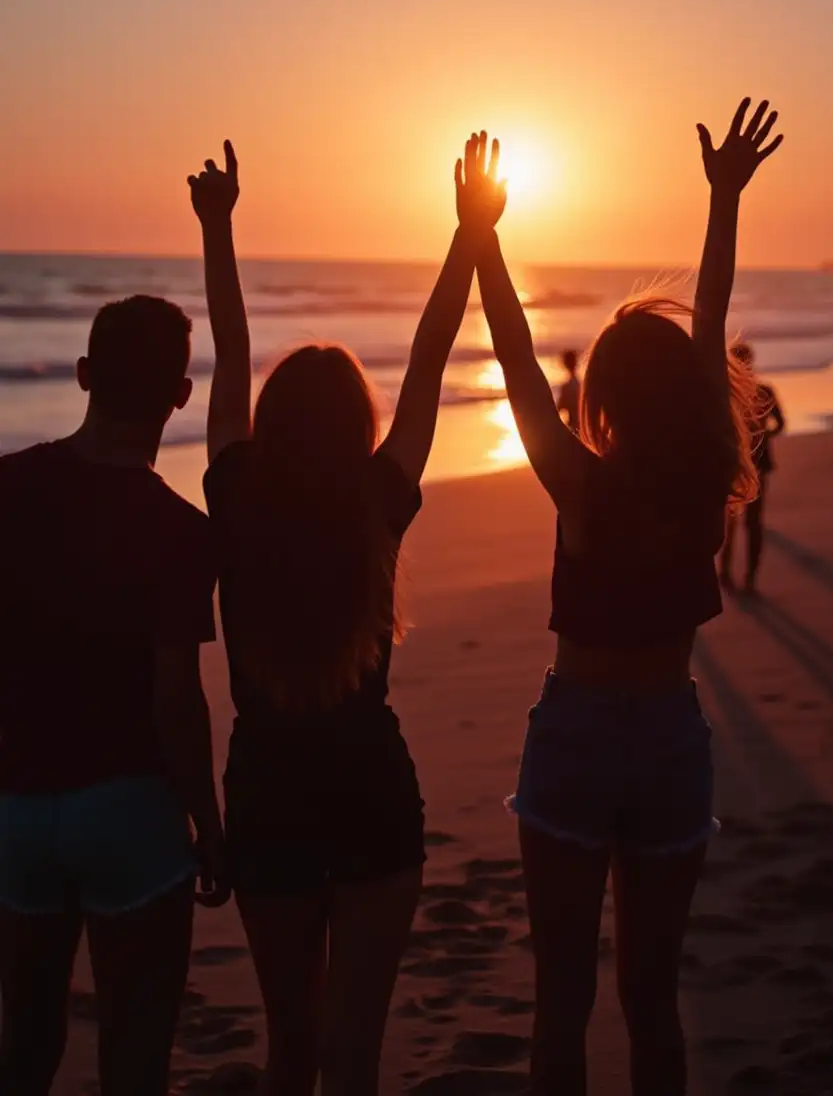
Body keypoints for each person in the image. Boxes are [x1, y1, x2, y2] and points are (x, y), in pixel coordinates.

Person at [475, 99, 782, 1095]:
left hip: (573, 735)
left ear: (600, 392)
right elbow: (712, 334)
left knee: (559, 999)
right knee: (653, 999)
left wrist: (482, 238)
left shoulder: (578, 480)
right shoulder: (704, 480)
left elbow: (517, 357)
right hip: (668, 737)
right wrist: (722, 200)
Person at [188, 132, 503, 1096]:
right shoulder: (377, 501)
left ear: (273, 424)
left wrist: (218, 228)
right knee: (353, 1058)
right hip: (370, 787)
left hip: (270, 794)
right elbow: (428, 356)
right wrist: (469, 235)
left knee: (290, 1050)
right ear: (355, 426)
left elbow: (231, 349)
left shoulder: (236, 493)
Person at [0, 296, 225, 1096]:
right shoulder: (182, 531)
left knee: (25, 1046)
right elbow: (176, 699)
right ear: (181, 394)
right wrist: (209, 819)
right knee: (135, 1060)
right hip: (129, 808)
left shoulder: (9, 484)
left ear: (84, 374)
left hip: (18, 806)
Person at [718, 342, 785, 594]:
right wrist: (763, 436)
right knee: (753, 523)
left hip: (732, 465)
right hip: (759, 462)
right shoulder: (764, 391)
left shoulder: (726, 393)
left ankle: (725, 572)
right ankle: (750, 577)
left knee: (731, 522)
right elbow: (781, 424)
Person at [557, 349, 581, 431]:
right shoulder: (580, 384)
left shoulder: (567, 387)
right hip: (581, 426)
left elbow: (559, 407)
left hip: (575, 427)